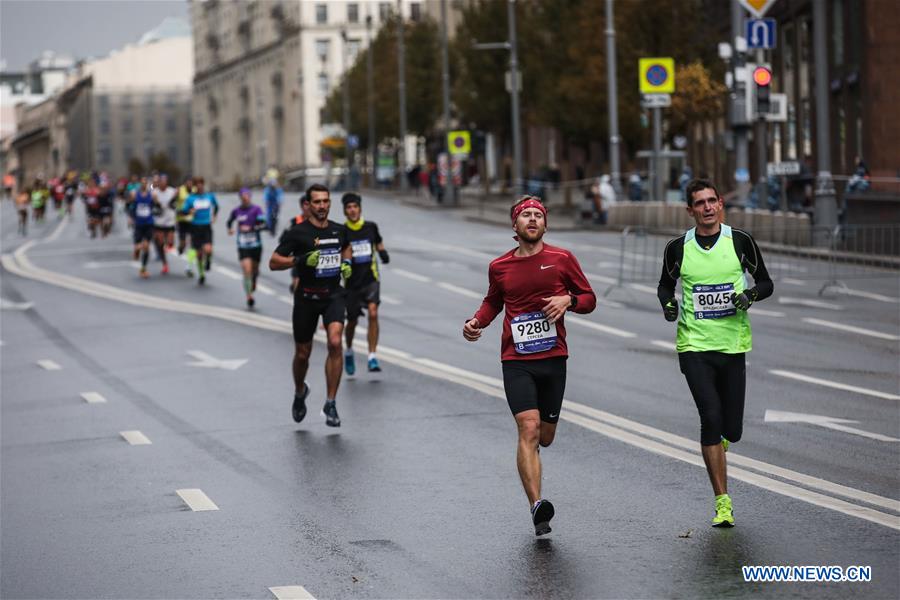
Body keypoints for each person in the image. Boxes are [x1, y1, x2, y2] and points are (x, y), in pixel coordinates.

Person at [463, 196, 597, 536]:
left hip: (553, 358)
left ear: (546, 224)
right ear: (515, 225)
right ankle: (537, 506)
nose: (533, 220)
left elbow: (589, 299)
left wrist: (569, 300)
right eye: (526, 216)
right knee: (529, 428)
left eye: (538, 215)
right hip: (516, 360)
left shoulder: (562, 259)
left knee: (546, 436)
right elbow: (494, 300)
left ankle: (536, 464)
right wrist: (476, 322)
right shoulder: (500, 266)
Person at [657, 179, 774, 528]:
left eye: (712, 201)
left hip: (733, 344)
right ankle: (723, 502)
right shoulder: (678, 247)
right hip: (694, 345)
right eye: (700, 203)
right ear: (690, 210)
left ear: (721, 204)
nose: (707, 208)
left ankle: (721, 440)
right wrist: (668, 303)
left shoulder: (739, 241)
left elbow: (765, 282)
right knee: (710, 415)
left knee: (732, 430)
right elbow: (665, 283)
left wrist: (749, 297)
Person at [269, 184, 352, 427]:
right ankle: (299, 391)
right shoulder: (298, 232)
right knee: (303, 354)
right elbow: (273, 262)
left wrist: (346, 263)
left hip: (333, 296)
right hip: (306, 298)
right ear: (308, 205)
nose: (322, 206)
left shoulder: (339, 230)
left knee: (335, 342)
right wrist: (301, 260)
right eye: (317, 202)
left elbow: (345, 246)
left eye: (326, 201)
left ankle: (331, 403)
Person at [340, 192, 390, 375]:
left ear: (360, 208)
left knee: (373, 312)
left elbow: (378, 242)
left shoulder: (371, 227)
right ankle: (349, 350)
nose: (352, 210)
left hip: (371, 278)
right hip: (352, 283)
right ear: (345, 211)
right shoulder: (342, 231)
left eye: (355, 206)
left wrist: (383, 253)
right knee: (351, 322)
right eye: (349, 207)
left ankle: (372, 356)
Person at [227, 188, 267, 307]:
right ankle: (249, 296)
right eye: (243, 196)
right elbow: (229, 221)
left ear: (250, 197)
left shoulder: (256, 210)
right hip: (243, 245)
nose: (245, 198)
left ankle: (254, 279)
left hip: (256, 245)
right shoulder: (236, 211)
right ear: (240, 198)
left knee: (254, 269)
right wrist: (230, 228)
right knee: (246, 270)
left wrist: (252, 228)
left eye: (247, 196)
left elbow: (264, 225)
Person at [180, 177, 219, 285]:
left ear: (203, 185)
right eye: (197, 184)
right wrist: (189, 211)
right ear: (195, 186)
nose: (199, 186)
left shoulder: (209, 196)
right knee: (199, 254)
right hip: (195, 227)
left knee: (208, 249)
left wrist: (214, 216)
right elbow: (183, 211)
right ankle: (202, 274)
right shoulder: (191, 198)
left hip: (206, 226)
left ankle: (209, 261)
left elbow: (216, 206)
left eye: (201, 184)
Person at [129, 177, 159, 278]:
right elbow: (130, 206)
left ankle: (143, 268)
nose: (144, 185)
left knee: (146, 246)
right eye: (142, 183)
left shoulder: (152, 195)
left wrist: (156, 203)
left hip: (148, 223)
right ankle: (136, 250)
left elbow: (157, 207)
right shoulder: (135, 194)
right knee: (138, 247)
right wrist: (130, 218)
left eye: (145, 183)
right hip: (138, 224)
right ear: (139, 184)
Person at [152, 174, 177, 274]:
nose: (163, 183)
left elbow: (176, 203)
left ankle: (168, 245)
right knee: (161, 243)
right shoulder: (155, 193)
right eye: (161, 181)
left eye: (164, 181)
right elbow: (151, 205)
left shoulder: (172, 191)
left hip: (170, 220)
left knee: (170, 243)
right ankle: (165, 264)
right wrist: (155, 202)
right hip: (159, 221)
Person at [175, 176, 197, 277]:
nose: (189, 184)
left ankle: (189, 266)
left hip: (192, 220)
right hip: (182, 219)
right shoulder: (180, 190)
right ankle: (180, 248)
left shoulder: (195, 190)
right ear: (185, 183)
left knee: (192, 243)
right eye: (187, 182)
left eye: (191, 182)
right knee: (183, 244)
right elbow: (173, 202)